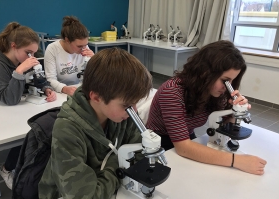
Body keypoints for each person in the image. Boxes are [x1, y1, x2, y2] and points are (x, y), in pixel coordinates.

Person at [38, 48, 152, 199]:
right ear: (96, 97)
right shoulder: (67, 129)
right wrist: (119, 166)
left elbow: (141, 158)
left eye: (135, 103)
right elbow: (86, 196)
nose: (134, 111)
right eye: (127, 106)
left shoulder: (125, 114)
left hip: (110, 189)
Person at [146, 40, 267, 175]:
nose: (227, 87)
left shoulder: (213, 90)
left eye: (232, 81)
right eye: (225, 81)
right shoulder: (172, 91)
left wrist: (235, 111)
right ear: (205, 73)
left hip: (187, 136)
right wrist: (237, 161)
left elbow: (225, 124)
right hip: (160, 143)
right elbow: (183, 148)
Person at [0, 22, 57, 189]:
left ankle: (31, 168)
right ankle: (7, 169)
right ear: (13, 46)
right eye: (28, 52)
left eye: (34, 53)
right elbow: (9, 98)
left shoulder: (23, 59)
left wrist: (47, 88)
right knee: (28, 135)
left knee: (39, 129)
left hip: (14, 109)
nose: (31, 57)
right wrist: (20, 71)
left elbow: (38, 79)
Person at [44, 16, 94, 96]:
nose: (83, 48)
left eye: (86, 45)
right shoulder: (52, 49)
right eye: (79, 46)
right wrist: (64, 88)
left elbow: (94, 75)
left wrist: (95, 60)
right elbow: (50, 79)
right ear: (67, 40)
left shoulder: (84, 47)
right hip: (61, 93)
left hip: (80, 89)